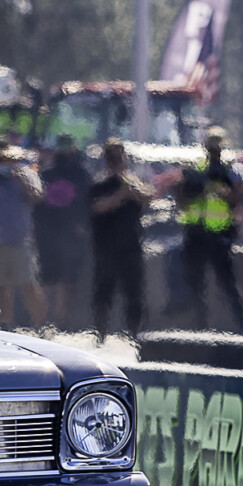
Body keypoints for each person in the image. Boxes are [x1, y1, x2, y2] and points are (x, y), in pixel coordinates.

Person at [175, 126, 243, 333]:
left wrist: (218, 189)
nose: (214, 152)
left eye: (217, 148)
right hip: (196, 233)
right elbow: (182, 199)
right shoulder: (197, 170)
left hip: (219, 235)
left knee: (228, 284)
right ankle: (201, 328)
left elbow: (237, 199)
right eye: (211, 148)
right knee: (195, 284)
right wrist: (196, 188)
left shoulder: (230, 171)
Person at [89, 139, 153, 339]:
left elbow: (148, 197)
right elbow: (98, 207)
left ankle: (134, 334)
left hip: (131, 246)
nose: (116, 161)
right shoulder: (99, 184)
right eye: (112, 157)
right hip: (106, 247)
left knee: (134, 293)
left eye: (119, 156)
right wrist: (120, 194)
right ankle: (101, 332)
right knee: (104, 293)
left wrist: (132, 189)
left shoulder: (133, 182)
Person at [0, 145, 46, 328]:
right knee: (0, 286)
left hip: (20, 241)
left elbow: (37, 197)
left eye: (6, 161)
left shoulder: (25, 176)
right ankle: (5, 323)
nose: (3, 165)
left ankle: (40, 324)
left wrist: (21, 180)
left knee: (28, 285)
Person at [34, 135, 93, 323]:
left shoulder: (82, 175)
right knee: (47, 277)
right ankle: (45, 318)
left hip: (73, 233)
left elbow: (89, 202)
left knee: (70, 278)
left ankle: (63, 318)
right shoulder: (46, 174)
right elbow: (37, 203)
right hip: (48, 232)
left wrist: (84, 224)